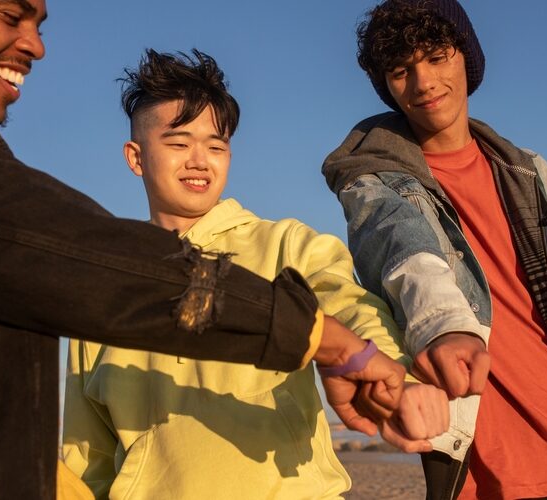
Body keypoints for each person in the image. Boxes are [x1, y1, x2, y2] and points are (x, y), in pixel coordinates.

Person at [0, 1, 407, 498]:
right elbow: (91, 262)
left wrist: (384, 359)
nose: (36, 43)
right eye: (10, 13)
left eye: (39, 20)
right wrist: (323, 340)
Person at [321, 0, 547, 498]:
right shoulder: (373, 182)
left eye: (437, 57)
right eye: (401, 70)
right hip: (501, 478)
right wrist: (444, 329)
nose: (423, 82)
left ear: (467, 58)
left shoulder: (531, 172)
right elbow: (406, 254)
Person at [60, 48, 449, 500]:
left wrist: (399, 380)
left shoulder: (288, 245)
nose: (200, 161)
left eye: (215, 146)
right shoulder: (108, 285)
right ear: (136, 157)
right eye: (178, 144)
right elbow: (87, 454)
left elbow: (354, 309)